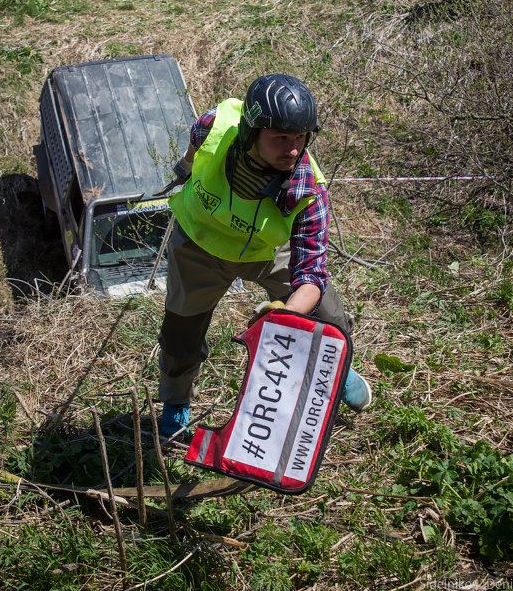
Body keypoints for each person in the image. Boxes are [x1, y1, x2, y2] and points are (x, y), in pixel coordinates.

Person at [156, 74, 372, 436]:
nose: (292, 149)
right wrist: (184, 169)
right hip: (199, 244)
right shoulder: (215, 124)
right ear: (250, 131)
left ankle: (333, 368)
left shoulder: (307, 189)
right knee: (181, 334)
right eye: (281, 137)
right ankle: (176, 403)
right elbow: (195, 148)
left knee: (327, 314)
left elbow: (311, 275)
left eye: (300, 138)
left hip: (267, 250)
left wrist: (286, 316)